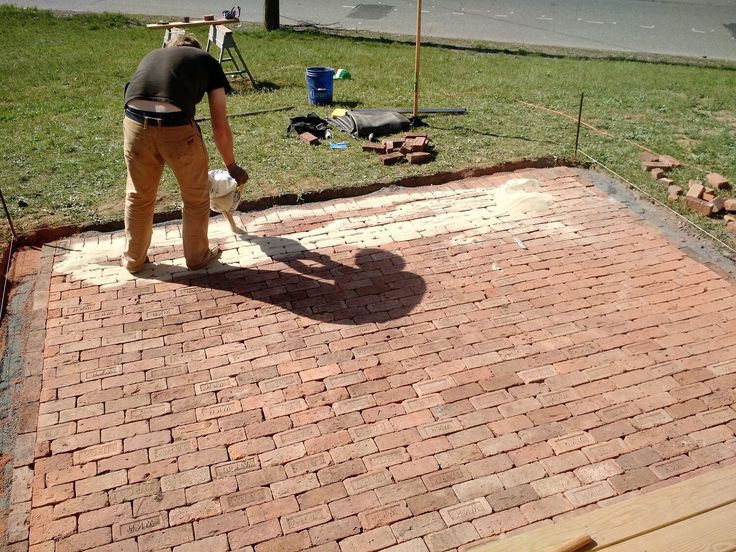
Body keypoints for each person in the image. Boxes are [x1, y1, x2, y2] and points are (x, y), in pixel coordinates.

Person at [122, 34, 248, 273]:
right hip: (177, 128)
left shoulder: (152, 55)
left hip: (134, 123)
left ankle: (133, 260)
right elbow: (219, 126)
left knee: (139, 196)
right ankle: (197, 256)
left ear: (172, 47)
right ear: (195, 50)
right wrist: (231, 166)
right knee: (195, 196)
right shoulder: (207, 60)